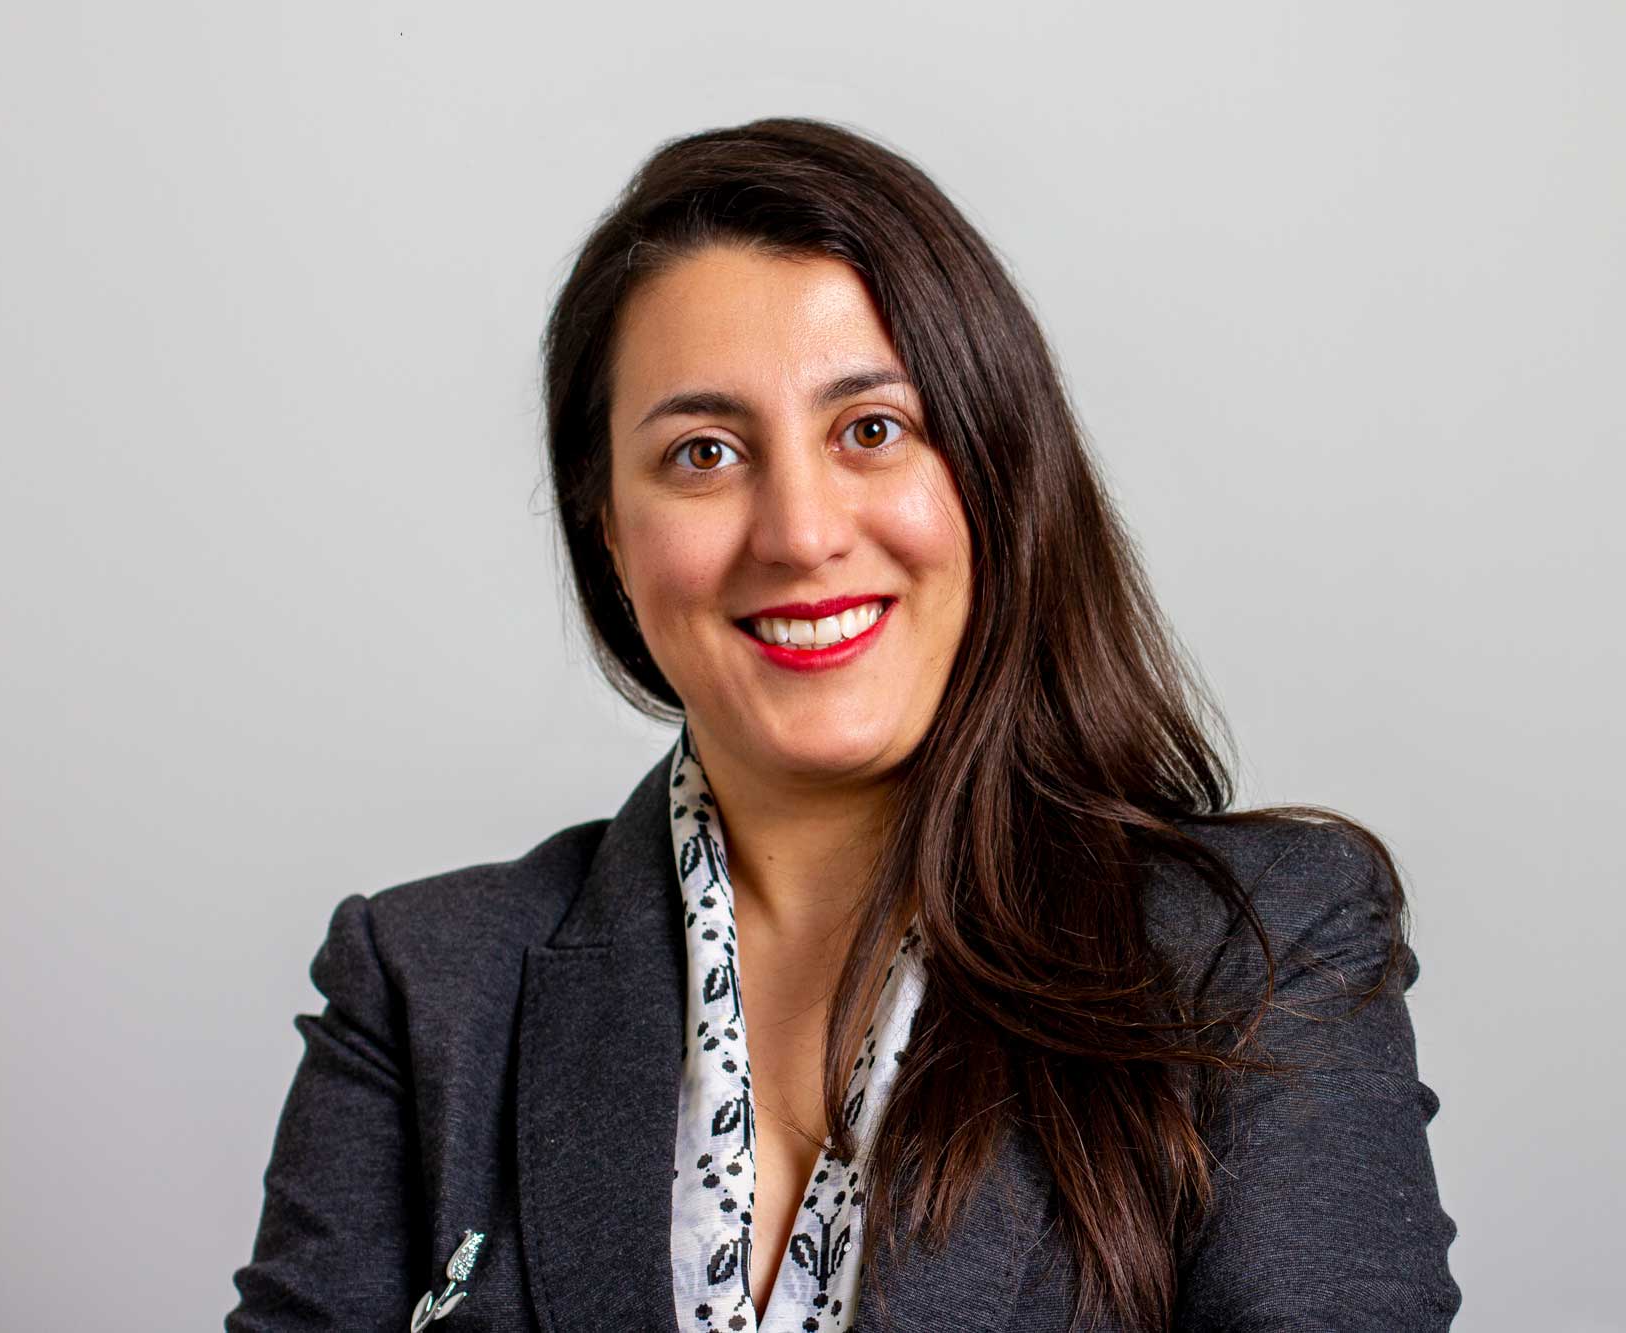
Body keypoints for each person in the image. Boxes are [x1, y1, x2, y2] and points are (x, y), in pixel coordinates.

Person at [226, 117, 1461, 1333]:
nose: (800, 533)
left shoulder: (1261, 950)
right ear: (605, 529)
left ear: (994, 471)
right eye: (703, 453)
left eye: (872, 430)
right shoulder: (424, 988)